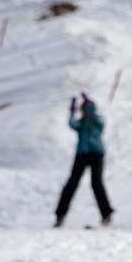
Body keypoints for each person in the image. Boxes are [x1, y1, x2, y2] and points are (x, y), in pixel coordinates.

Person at [54, 94, 113, 227]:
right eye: (84, 109)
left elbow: (99, 123)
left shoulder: (98, 121)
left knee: (96, 183)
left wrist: (89, 106)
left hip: (96, 154)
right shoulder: (81, 123)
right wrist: (72, 111)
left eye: (87, 109)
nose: (85, 112)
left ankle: (106, 215)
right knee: (72, 184)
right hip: (82, 155)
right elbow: (71, 123)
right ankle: (60, 215)